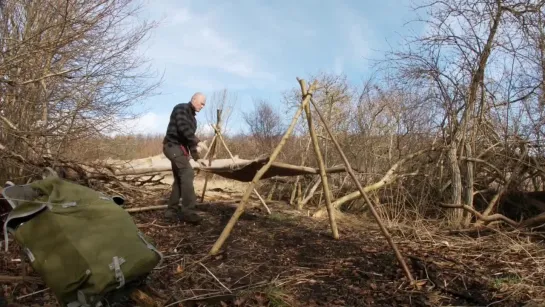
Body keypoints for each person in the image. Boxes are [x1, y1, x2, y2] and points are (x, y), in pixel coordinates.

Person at [163, 92, 208, 224]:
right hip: (172, 146)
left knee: (179, 180)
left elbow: (189, 141)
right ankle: (188, 212)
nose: (203, 106)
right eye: (201, 103)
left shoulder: (193, 120)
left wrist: (197, 158)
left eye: (204, 104)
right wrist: (198, 140)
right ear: (194, 100)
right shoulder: (181, 108)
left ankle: (170, 212)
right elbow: (183, 128)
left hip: (180, 150)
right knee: (188, 173)